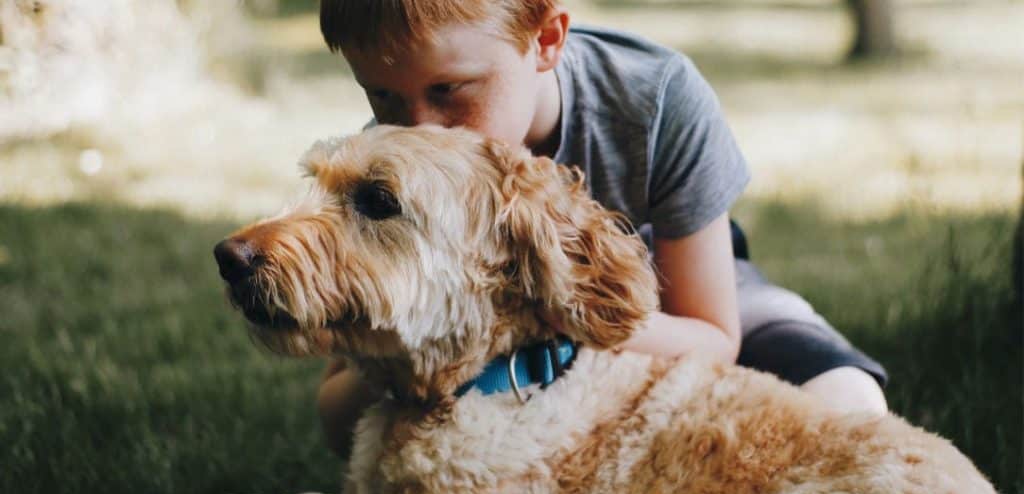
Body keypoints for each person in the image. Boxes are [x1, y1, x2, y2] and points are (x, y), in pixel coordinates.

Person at [316, 0, 889, 458]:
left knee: (849, 402)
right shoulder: (388, 169)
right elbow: (337, 411)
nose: (422, 130)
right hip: (484, 350)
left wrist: (544, 319)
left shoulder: (655, 99)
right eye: (383, 96)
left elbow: (714, 337)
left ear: (545, 40)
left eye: (449, 90)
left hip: (673, 302)